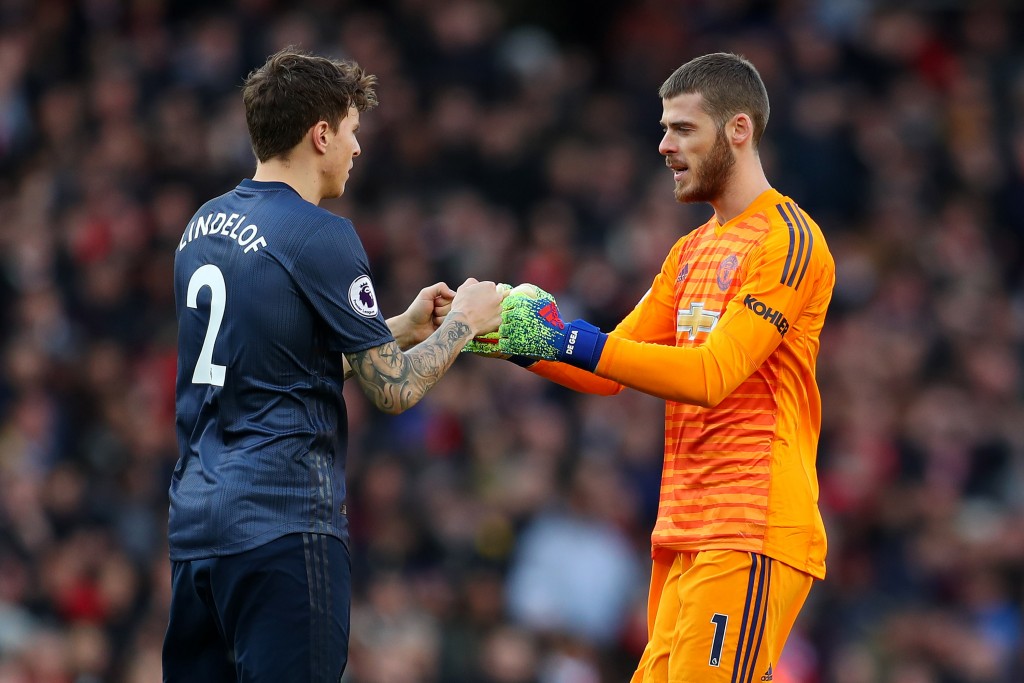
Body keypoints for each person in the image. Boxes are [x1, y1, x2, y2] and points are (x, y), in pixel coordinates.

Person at [468, 52, 835, 682]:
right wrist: (499, 335)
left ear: (738, 129)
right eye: (665, 129)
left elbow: (710, 375)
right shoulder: (689, 251)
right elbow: (606, 369)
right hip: (684, 531)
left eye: (683, 129)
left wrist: (566, 338)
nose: (664, 146)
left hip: (750, 526)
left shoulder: (789, 240)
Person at [165, 48, 504, 683]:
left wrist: (396, 328)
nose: (357, 147)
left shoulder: (201, 226)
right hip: (284, 525)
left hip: (196, 531)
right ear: (320, 134)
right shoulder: (321, 234)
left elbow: (273, 369)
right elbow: (395, 392)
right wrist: (466, 322)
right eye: (352, 130)